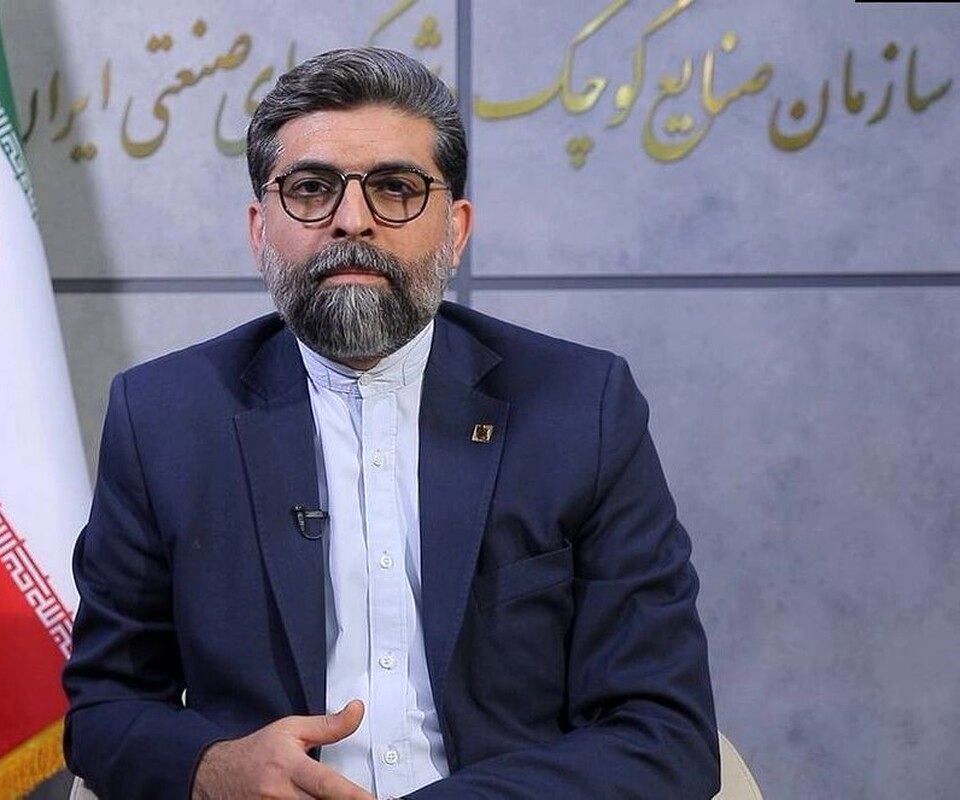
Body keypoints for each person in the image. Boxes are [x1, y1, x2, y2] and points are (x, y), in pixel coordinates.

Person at [63, 47, 719, 800]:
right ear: (259, 228)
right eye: (311, 189)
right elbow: (104, 709)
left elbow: (664, 731)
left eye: (396, 189)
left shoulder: (581, 408)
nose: (352, 220)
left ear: (455, 229)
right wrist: (213, 768)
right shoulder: (164, 418)